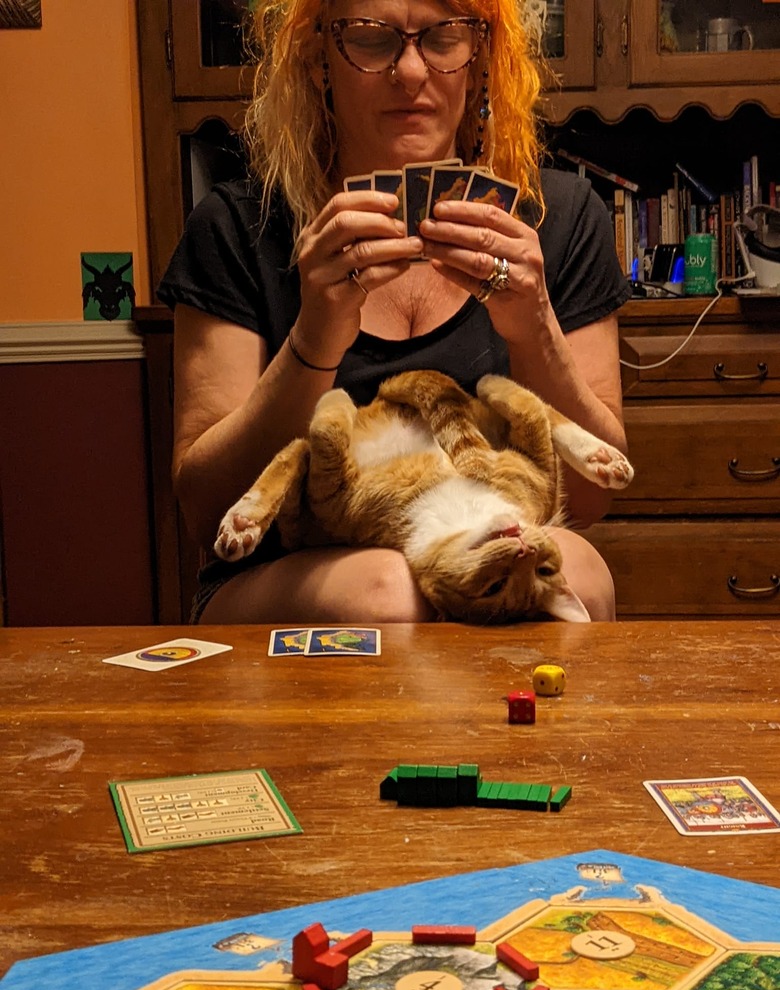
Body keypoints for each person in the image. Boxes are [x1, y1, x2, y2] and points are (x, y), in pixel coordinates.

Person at [157, 0, 632, 625]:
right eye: (371, 39)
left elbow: (595, 497)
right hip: (286, 570)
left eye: (444, 36)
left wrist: (534, 325)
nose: (411, 72)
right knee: (384, 592)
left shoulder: (560, 217)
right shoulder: (237, 225)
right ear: (319, 56)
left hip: (476, 553)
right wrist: (314, 340)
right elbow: (205, 506)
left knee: (584, 576)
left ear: (482, 55)